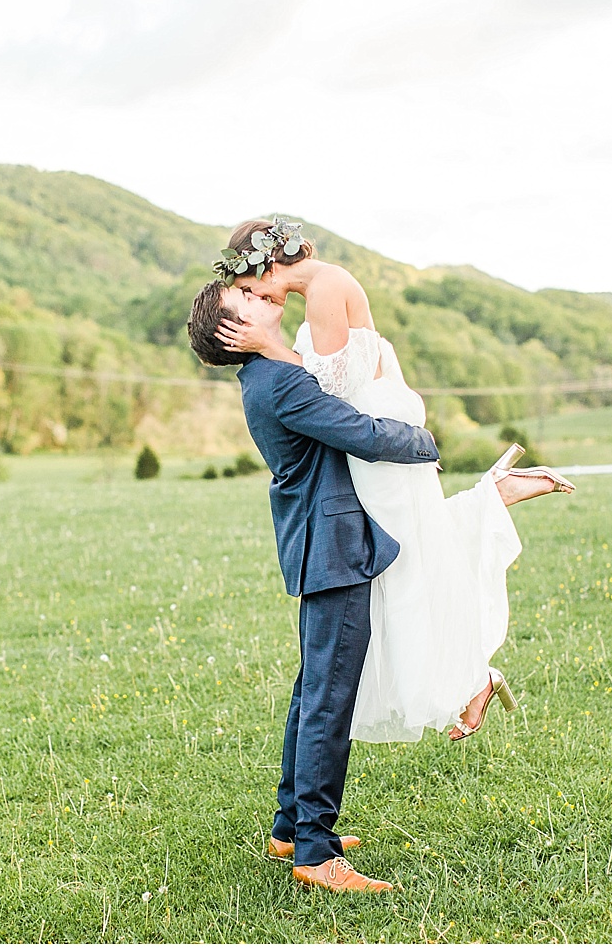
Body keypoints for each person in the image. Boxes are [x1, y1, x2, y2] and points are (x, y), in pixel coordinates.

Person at [211, 217, 575, 744]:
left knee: (404, 570)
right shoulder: (322, 288)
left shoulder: (325, 288)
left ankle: (472, 673)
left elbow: (326, 392)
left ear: (266, 264)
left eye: (249, 288)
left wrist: (268, 346)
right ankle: (494, 505)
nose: (255, 300)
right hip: (370, 434)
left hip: (372, 438)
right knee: (409, 557)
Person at [188, 278, 439, 893]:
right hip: (334, 549)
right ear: (233, 332)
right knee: (329, 699)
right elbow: (362, 433)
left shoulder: (273, 374)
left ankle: (289, 828)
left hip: (320, 545)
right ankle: (315, 852)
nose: (260, 296)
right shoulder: (281, 383)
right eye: (245, 299)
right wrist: (424, 442)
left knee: (313, 692)